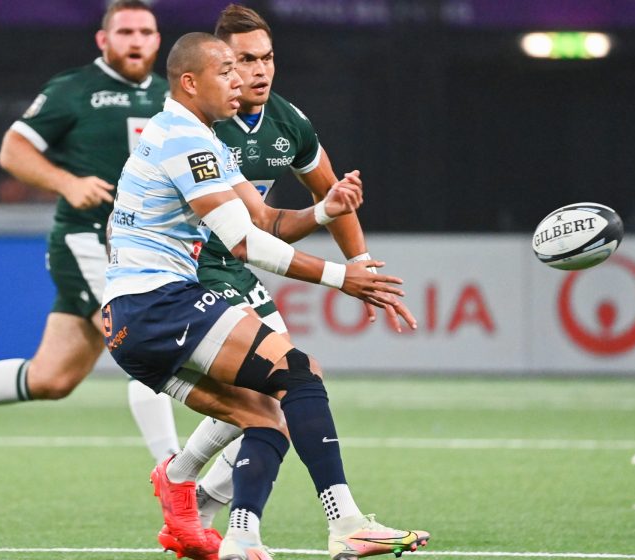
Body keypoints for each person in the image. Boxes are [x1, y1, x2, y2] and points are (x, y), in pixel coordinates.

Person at [102, 31, 429, 560]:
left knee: (264, 417)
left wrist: (326, 210)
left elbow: (264, 219)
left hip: (130, 323)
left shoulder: (198, 136)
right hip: (159, 303)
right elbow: (245, 241)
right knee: (301, 374)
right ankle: (345, 524)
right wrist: (342, 276)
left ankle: (237, 537)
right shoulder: (184, 138)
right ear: (190, 82)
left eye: (246, 66)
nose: (239, 80)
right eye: (226, 70)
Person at [0, 0, 185, 467]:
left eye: (145, 32)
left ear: (157, 40)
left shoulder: (170, 97)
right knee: (146, 348)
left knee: (52, 378)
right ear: (103, 39)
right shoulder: (74, 89)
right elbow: (13, 150)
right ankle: (176, 478)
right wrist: (67, 182)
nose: (136, 40)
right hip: (87, 242)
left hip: (144, 248)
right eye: (125, 31)